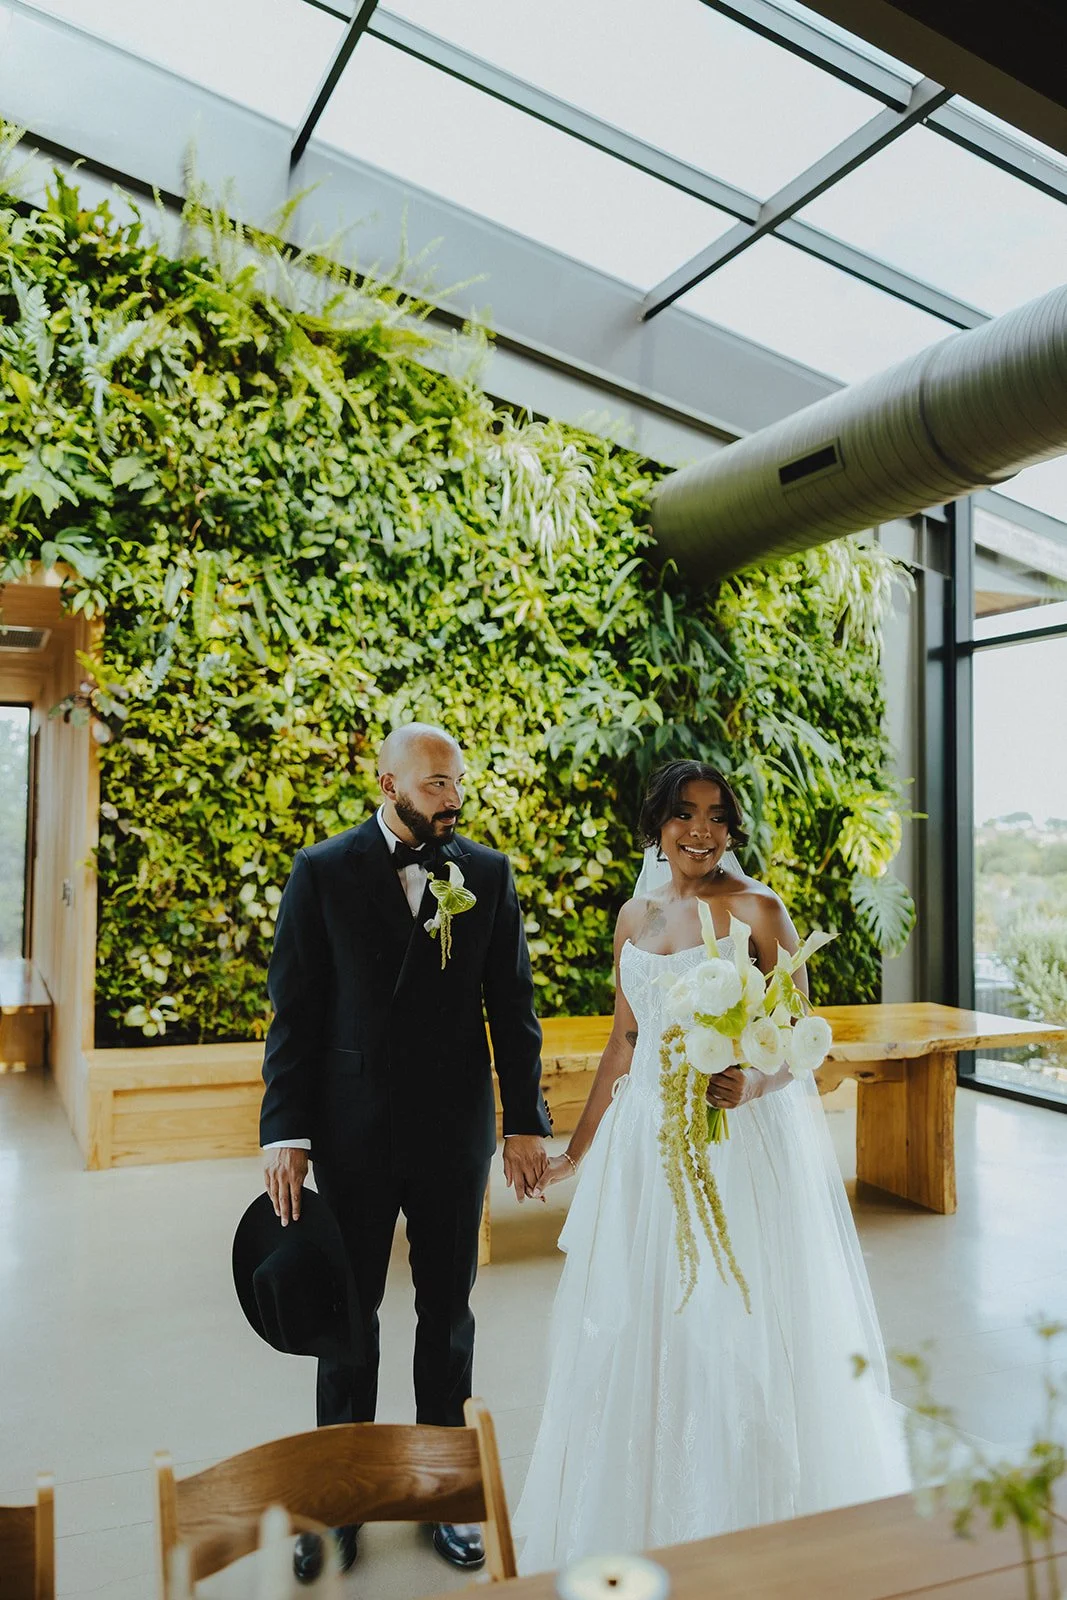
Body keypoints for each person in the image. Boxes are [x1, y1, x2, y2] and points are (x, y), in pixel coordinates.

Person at [514, 759, 909, 1572]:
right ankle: (643, 1512)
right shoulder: (634, 915)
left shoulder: (759, 909)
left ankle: (751, 1517)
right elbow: (624, 1043)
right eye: (684, 814)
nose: (700, 831)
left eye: (717, 816)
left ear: (731, 828)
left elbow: (801, 1038)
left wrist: (752, 1082)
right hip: (643, 1150)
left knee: (735, 1325)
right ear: (656, 825)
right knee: (639, 1319)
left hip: (735, 1145)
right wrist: (574, 1154)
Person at [260, 723, 550, 1575]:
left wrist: (524, 1122)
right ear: (387, 785)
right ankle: (336, 1503)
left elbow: (513, 1007)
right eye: (434, 785)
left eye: (456, 782)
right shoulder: (321, 871)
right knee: (346, 1319)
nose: (452, 798)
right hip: (350, 1132)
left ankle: (444, 1493)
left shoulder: (486, 873)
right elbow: (294, 1012)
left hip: (451, 1131)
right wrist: (285, 1132)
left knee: (447, 1315)